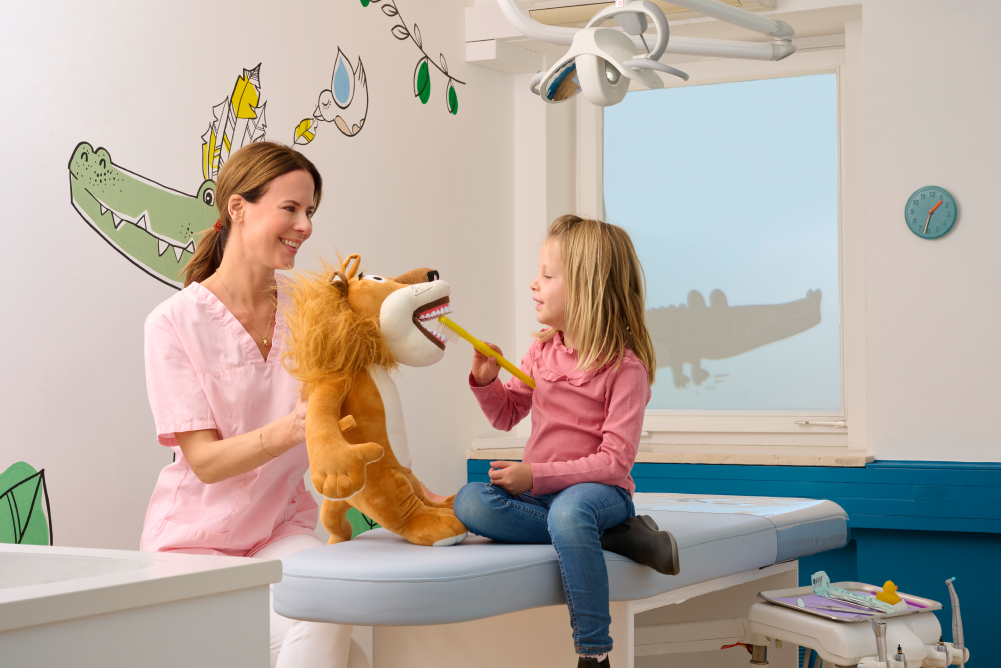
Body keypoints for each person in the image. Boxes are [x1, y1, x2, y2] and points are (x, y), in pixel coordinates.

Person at [140, 142, 364, 668]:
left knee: (333, 596)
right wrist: (292, 429)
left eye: (310, 211)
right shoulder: (172, 323)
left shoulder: (309, 308)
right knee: (348, 655)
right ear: (238, 208)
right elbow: (205, 462)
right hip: (192, 549)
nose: (305, 226)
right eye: (290, 208)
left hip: (278, 531)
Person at [453, 215, 680, 668]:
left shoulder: (625, 369)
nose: (533, 283)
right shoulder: (540, 352)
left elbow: (614, 464)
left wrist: (535, 476)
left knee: (571, 511)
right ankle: (608, 538)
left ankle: (594, 652)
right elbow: (506, 415)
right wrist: (487, 381)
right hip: (543, 499)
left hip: (600, 493)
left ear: (586, 288)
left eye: (547, 275)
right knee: (470, 502)